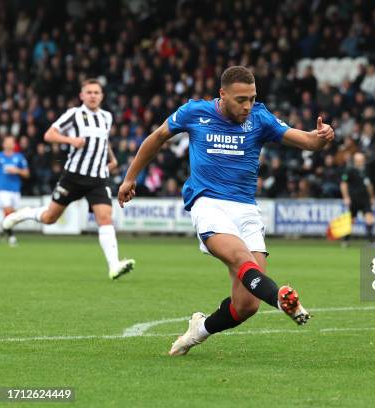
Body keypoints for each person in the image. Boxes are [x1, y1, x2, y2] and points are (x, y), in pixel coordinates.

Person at [117, 66, 335, 356]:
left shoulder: (260, 117)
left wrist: (321, 137)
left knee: (247, 305)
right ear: (222, 94)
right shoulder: (194, 112)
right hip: (208, 202)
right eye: (241, 99)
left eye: (252, 98)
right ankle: (281, 298)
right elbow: (157, 137)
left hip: (246, 209)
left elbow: (307, 141)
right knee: (240, 258)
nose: (247, 106)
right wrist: (130, 177)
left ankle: (199, 331)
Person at [2, 79, 135, 279]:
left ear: (102, 96)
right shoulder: (74, 115)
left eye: (96, 92)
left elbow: (103, 140)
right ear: (82, 95)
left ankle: (114, 265)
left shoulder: (106, 117)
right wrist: (70, 140)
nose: (92, 95)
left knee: (105, 217)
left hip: (98, 177)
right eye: (88, 92)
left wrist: (113, 159)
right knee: (49, 218)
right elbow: (49, 134)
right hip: (73, 176)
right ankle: (24, 214)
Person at [0, 135, 30, 247]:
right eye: (7, 142)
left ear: (14, 144)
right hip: (2, 189)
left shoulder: (19, 157)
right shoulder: (0, 156)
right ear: (3, 144)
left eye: (11, 142)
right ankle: (12, 237)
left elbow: (27, 173)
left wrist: (17, 170)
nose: (9, 144)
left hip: (15, 190)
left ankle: (3, 230)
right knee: (8, 212)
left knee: (12, 216)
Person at [340, 151, 375, 245]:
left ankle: (371, 241)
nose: (360, 161)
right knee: (351, 220)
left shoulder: (366, 170)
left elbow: (369, 185)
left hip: (365, 199)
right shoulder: (349, 170)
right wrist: (346, 197)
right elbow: (343, 184)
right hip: (354, 199)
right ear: (355, 161)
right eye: (358, 160)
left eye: (362, 160)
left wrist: (372, 197)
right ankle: (345, 240)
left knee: (369, 218)